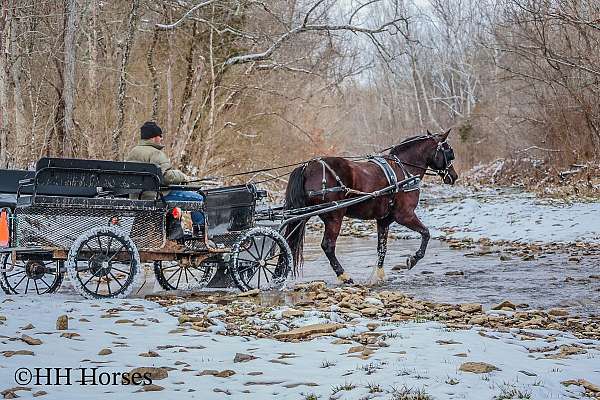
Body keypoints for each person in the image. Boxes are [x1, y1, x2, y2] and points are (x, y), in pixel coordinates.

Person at [126, 121, 205, 234]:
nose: (161, 138)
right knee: (198, 199)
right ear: (153, 137)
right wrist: (182, 176)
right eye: (160, 136)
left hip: (137, 197)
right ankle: (200, 233)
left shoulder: (133, 152)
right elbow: (166, 177)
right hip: (156, 196)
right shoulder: (155, 153)